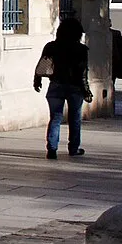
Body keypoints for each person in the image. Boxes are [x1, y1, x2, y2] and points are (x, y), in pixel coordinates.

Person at [34, 14, 93, 158]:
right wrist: (86, 91)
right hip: (74, 87)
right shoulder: (81, 50)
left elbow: (42, 64)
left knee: (55, 117)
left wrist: (37, 80)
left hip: (56, 85)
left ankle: (52, 148)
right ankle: (73, 148)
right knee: (74, 118)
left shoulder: (51, 46)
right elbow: (83, 73)